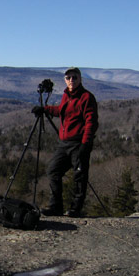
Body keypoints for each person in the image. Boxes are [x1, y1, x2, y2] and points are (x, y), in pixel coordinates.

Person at [32, 67, 98, 217]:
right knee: (53, 171)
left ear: (80, 79)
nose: (71, 81)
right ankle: (56, 206)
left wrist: (85, 144)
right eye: (68, 78)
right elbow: (62, 111)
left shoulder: (86, 97)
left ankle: (76, 208)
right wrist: (45, 109)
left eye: (74, 77)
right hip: (65, 143)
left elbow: (91, 122)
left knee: (79, 176)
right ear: (65, 80)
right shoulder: (66, 96)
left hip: (79, 143)